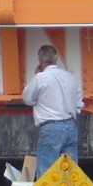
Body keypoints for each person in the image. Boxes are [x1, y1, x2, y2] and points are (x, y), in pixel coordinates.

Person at [22, 44, 84, 174]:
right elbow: (79, 103)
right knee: (70, 173)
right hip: (70, 126)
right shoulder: (69, 77)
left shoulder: (40, 78)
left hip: (51, 127)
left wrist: (36, 76)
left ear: (40, 61)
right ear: (56, 59)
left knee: (47, 174)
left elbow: (27, 99)